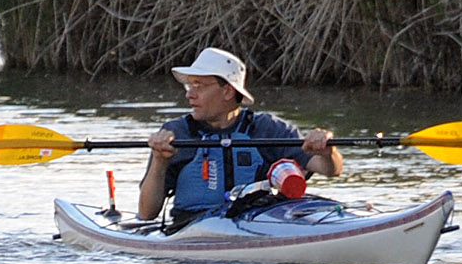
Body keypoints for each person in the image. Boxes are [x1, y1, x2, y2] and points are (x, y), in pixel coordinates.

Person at [139, 47, 337, 228]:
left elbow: (329, 170)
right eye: (189, 86)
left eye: (198, 85)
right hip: (191, 231)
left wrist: (327, 152)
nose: (190, 95)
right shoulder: (176, 133)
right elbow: (147, 213)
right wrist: (159, 160)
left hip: (258, 225)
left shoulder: (268, 129)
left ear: (227, 91)